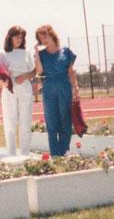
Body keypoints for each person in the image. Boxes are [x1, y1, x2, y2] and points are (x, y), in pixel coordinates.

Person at [34, 25, 80, 156]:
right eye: (40, 38)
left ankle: (63, 151)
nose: (44, 40)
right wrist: (36, 52)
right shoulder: (42, 54)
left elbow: (71, 72)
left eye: (45, 36)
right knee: (51, 121)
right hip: (49, 87)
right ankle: (55, 154)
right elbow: (39, 71)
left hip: (64, 85)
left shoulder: (66, 52)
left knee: (66, 119)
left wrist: (75, 88)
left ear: (52, 35)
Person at [0, 26, 35, 156]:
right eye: (16, 36)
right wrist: (2, 82)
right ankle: (11, 153)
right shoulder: (2, 54)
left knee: (26, 120)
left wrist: (25, 76)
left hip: (25, 88)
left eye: (21, 37)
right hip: (9, 88)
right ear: (9, 37)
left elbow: (34, 71)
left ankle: (25, 153)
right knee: (10, 121)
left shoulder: (27, 53)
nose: (18, 39)